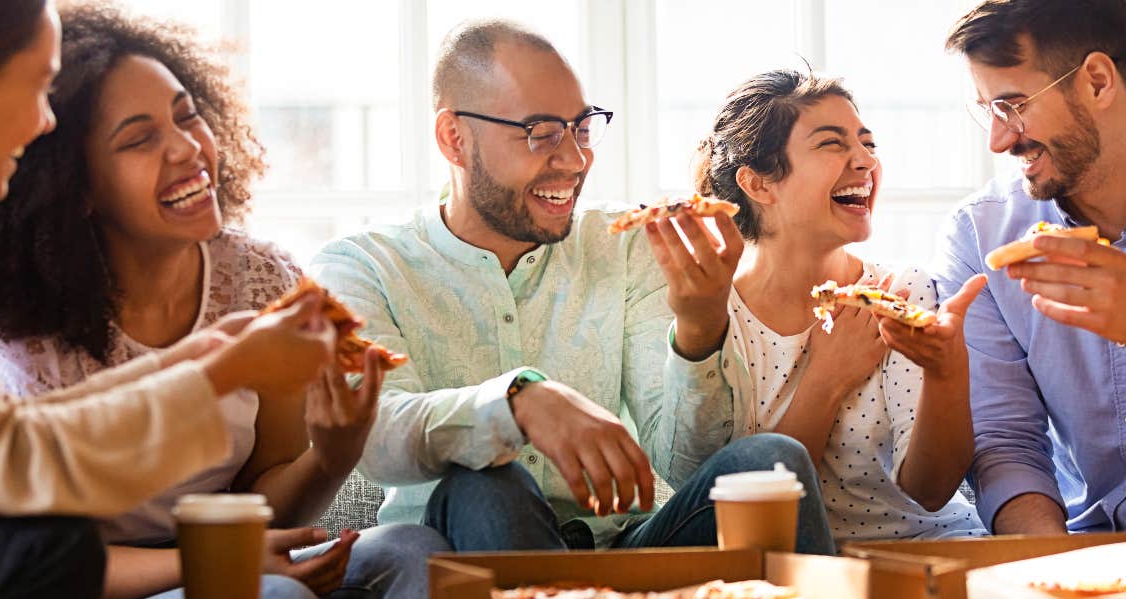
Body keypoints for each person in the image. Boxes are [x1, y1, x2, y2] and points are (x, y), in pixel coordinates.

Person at [0, 4, 449, 597]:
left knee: (411, 552)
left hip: (201, 555)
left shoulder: (254, 278)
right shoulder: (7, 326)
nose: (45, 124)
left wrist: (329, 453)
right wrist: (223, 367)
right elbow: (15, 473)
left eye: (187, 116)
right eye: (38, 88)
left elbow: (10, 442)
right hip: (90, 575)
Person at [310, 19, 834, 554]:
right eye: (540, 133)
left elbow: (688, 464)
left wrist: (700, 328)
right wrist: (517, 401)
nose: (575, 160)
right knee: (487, 481)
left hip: (626, 544)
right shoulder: (359, 266)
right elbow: (371, 438)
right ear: (454, 138)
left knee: (772, 460)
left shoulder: (625, 246)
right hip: (463, 546)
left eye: (581, 129)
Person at [659, 68, 988, 543]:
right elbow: (736, 496)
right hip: (789, 566)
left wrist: (946, 369)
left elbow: (932, 491)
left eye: (868, 144)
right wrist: (827, 379)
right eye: (833, 144)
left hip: (929, 549)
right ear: (758, 184)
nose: (865, 161)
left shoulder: (899, 294)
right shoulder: (714, 317)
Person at [936, 0, 1126, 535]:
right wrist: (1043, 571)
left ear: (1096, 80)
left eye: (1013, 105)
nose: (999, 140)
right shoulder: (981, 236)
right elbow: (1004, 439)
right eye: (989, 111)